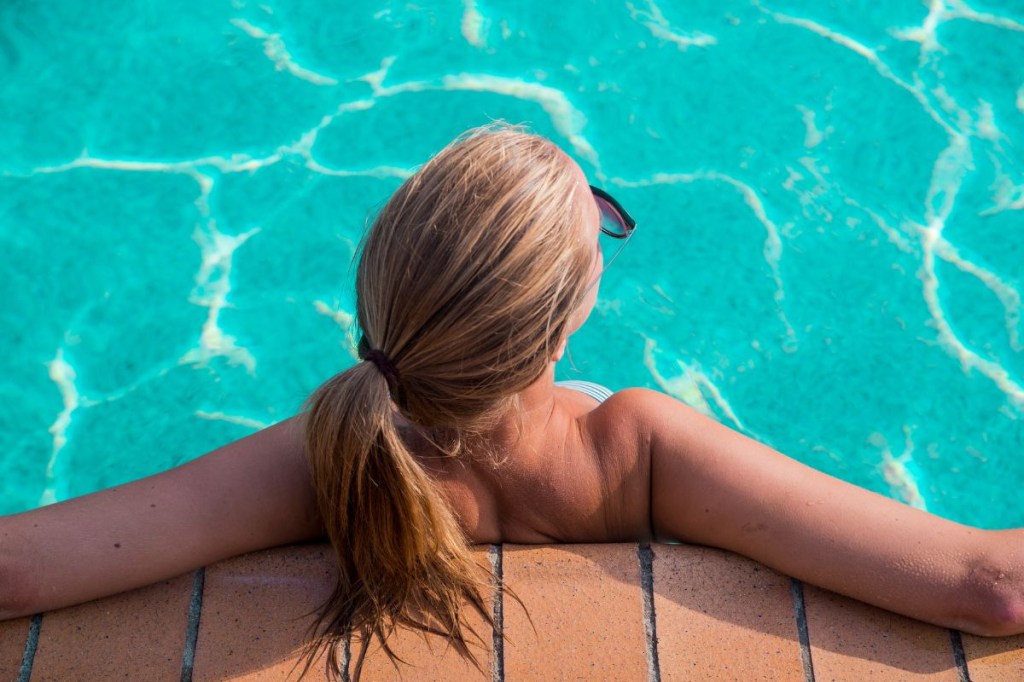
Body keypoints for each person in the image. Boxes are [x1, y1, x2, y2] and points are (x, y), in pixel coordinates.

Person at [1, 125, 1021, 680]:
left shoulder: (323, 452)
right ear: (565, 322)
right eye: (600, 227)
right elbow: (987, 589)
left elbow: (17, 569)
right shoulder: (637, 444)